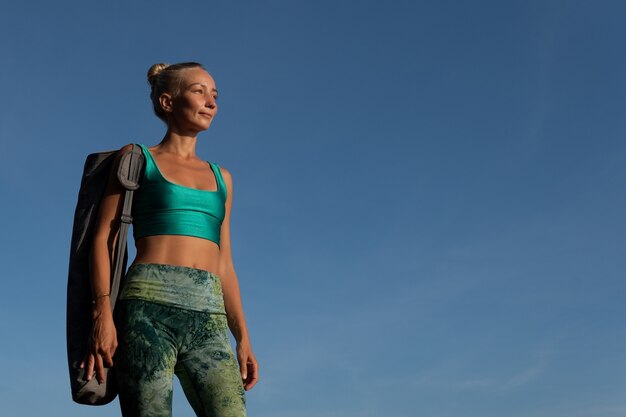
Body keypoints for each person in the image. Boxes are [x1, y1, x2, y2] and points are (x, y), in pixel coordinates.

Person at [81, 62, 258, 417]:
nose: (211, 102)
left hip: (209, 315)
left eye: (215, 95)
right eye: (199, 91)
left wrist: (243, 337)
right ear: (167, 101)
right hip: (147, 307)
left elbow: (224, 263)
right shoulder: (136, 158)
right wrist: (102, 313)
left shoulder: (222, 177)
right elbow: (105, 239)